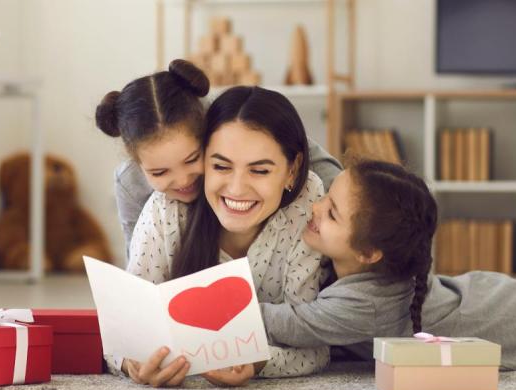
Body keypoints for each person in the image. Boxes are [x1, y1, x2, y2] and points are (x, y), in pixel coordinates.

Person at [259, 159, 516, 371]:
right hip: (483, 297)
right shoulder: (373, 249)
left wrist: (201, 303)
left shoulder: (366, 305)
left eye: (330, 213)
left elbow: (285, 324)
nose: (314, 207)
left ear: (368, 253)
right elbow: (321, 160)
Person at [100, 85, 332, 387]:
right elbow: (122, 334)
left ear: (292, 170)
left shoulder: (309, 199)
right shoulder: (167, 206)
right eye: (220, 166)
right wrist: (133, 364)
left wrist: (258, 362)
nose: (236, 189)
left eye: (259, 171)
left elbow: (313, 344)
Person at [95, 60, 341, 258]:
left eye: (192, 159)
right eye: (159, 173)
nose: (182, 180)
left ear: (205, 134)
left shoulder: (227, 126)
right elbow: (138, 262)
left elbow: (298, 151)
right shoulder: (132, 183)